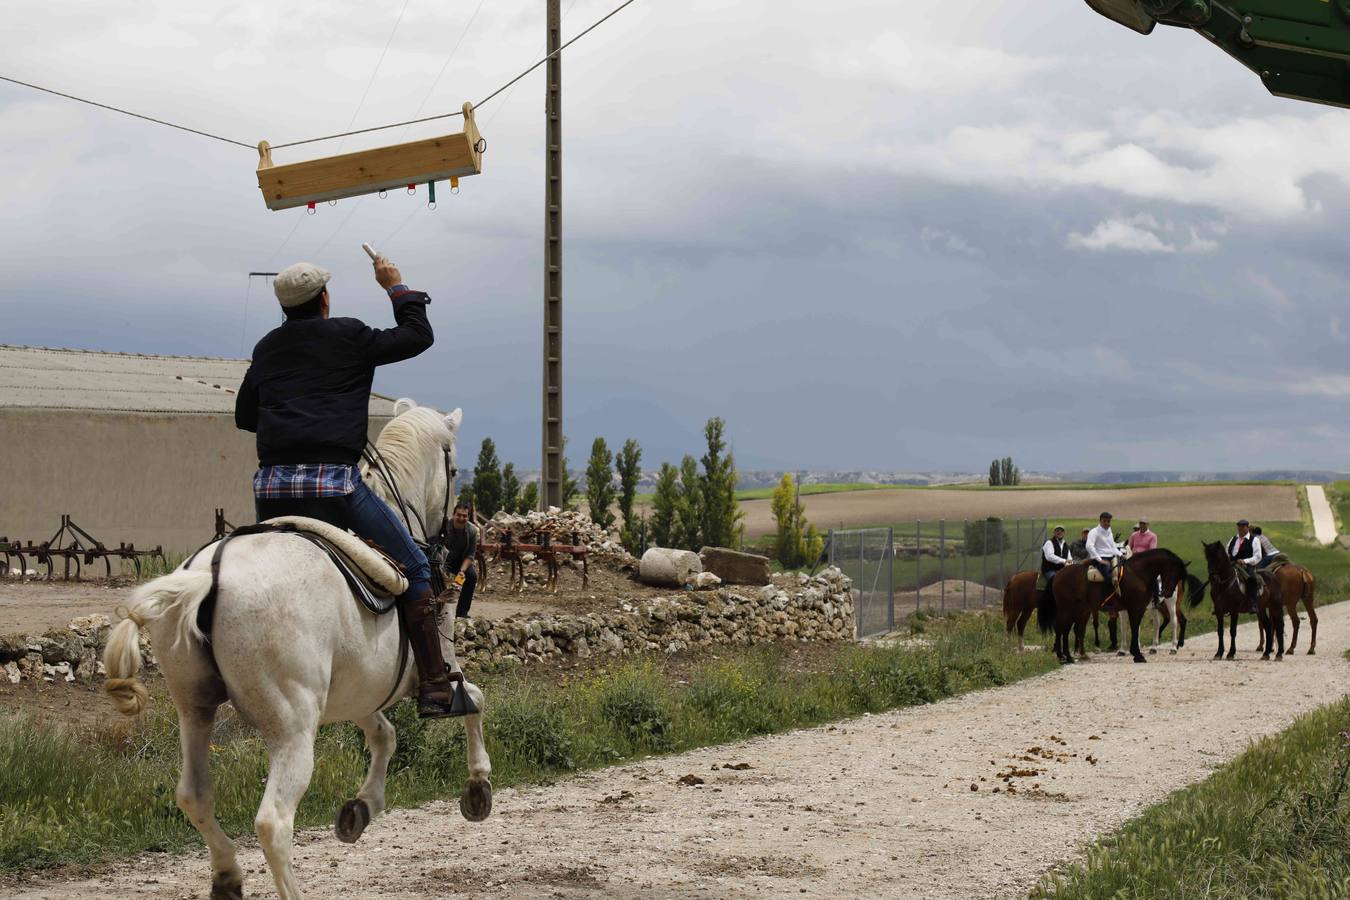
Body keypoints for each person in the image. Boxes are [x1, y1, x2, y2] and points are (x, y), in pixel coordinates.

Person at [235, 257, 461, 719]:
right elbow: (419, 336)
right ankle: (436, 685)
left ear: (284, 307)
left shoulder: (266, 348)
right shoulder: (349, 335)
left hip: (271, 494)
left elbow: (244, 416)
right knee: (417, 569)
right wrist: (395, 286)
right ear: (324, 300)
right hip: (334, 489)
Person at [444, 501, 480, 618]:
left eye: (464, 516)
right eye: (459, 515)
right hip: (442, 559)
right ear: (454, 515)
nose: (461, 518)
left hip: (460, 562)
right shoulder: (444, 526)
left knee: (472, 576)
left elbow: (470, 555)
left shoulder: (472, 531)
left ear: (468, 517)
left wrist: (462, 571)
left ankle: (462, 612)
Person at [1086, 512, 1125, 607]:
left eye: (1108, 521)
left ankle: (1122, 597)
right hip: (1100, 558)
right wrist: (1099, 559)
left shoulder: (1109, 531)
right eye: (1105, 521)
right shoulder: (1094, 532)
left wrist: (1121, 554)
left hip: (1111, 556)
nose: (1107, 523)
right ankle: (1105, 601)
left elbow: (1112, 547)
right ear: (1100, 521)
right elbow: (1089, 546)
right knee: (1108, 577)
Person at [1227, 519, 1262, 611]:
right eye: (1239, 527)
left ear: (1247, 527)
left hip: (1246, 565)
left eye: (1242, 527)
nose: (1240, 529)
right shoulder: (1233, 539)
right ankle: (1221, 603)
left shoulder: (1254, 540)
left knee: (1252, 579)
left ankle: (1253, 603)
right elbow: (1227, 551)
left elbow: (1258, 556)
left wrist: (1245, 561)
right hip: (1232, 564)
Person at [1040, 525, 1071, 599]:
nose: (1059, 532)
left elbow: (1069, 558)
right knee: (1055, 580)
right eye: (1057, 531)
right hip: (1049, 570)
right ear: (1054, 533)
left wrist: (1070, 563)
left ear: (1064, 533)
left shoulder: (1066, 545)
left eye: (1061, 531)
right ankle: (1050, 600)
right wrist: (1064, 561)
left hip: (1062, 571)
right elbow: (1049, 556)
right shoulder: (1049, 542)